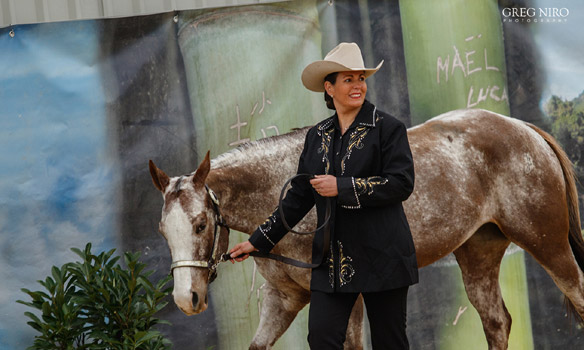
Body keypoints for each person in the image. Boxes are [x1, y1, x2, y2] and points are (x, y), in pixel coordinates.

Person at [229, 42, 418, 350]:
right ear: (329, 88)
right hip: (332, 261)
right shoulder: (316, 136)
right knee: (321, 340)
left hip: (384, 256)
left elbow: (401, 183)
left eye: (361, 78)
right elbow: (299, 197)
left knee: (390, 343)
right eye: (348, 79)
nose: (358, 85)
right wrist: (257, 241)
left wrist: (342, 187)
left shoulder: (388, 129)